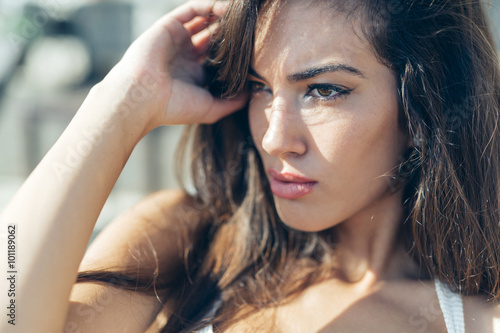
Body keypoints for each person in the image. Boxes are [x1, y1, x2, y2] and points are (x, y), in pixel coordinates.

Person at [1, 0, 499, 332]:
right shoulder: (188, 241)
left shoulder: (476, 318)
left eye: (323, 90)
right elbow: (12, 311)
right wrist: (121, 101)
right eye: (260, 86)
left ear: (423, 106)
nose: (275, 137)